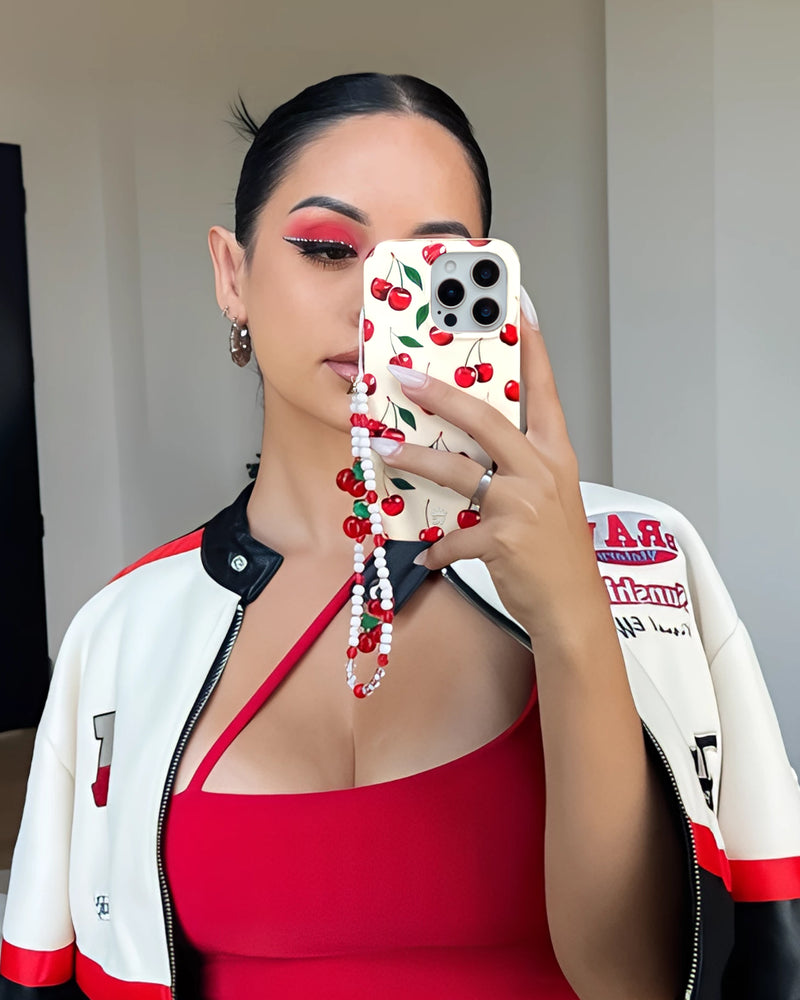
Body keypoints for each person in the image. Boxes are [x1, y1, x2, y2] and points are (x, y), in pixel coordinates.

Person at [1, 72, 799, 1000]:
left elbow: (644, 977)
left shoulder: (644, 555)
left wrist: (575, 612)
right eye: (330, 250)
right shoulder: (124, 630)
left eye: (431, 269)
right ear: (233, 273)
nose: (380, 309)